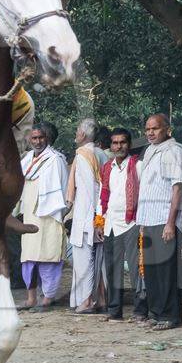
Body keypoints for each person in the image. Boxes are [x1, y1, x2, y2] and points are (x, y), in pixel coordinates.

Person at [135, 114, 182, 331]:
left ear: (167, 129)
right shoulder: (150, 151)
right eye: (147, 129)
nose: (150, 133)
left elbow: (178, 188)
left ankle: (170, 316)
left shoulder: (174, 151)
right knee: (151, 270)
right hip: (149, 219)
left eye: (155, 128)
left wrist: (170, 223)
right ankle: (156, 313)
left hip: (165, 219)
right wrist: (142, 222)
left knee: (166, 271)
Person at [18, 122, 69, 312]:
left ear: (47, 138)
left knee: (49, 257)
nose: (37, 141)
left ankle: (47, 298)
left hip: (50, 215)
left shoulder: (56, 159)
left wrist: (61, 212)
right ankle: (31, 298)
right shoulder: (26, 160)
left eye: (41, 138)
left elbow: (63, 189)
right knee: (29, 258)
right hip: (30, 216)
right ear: (29, 140)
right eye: (34, 138)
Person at [100, 128, 142, 322]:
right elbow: (103, 196)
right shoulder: (107, 168)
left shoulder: (137, 166)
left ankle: (140, 311)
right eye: (115, 143)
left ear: (129, 144)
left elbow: (144, 196)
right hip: (110, 225)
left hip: (132, 223)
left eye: (122, 142)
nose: (119, 146)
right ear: (110, 146)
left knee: (136, 270)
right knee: (112, 269)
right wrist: (99, 222)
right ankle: (114, 311)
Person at [67, 118, 108, 313]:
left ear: (82, 135)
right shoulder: (102, 153)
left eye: (77, 131)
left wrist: (93, 218)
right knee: (98, 259)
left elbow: (92, 188)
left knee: (85, 259)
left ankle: (86, 301)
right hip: (100, 214)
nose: (76, 134)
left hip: (88, 215)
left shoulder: (83, 155)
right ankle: (101, 299)